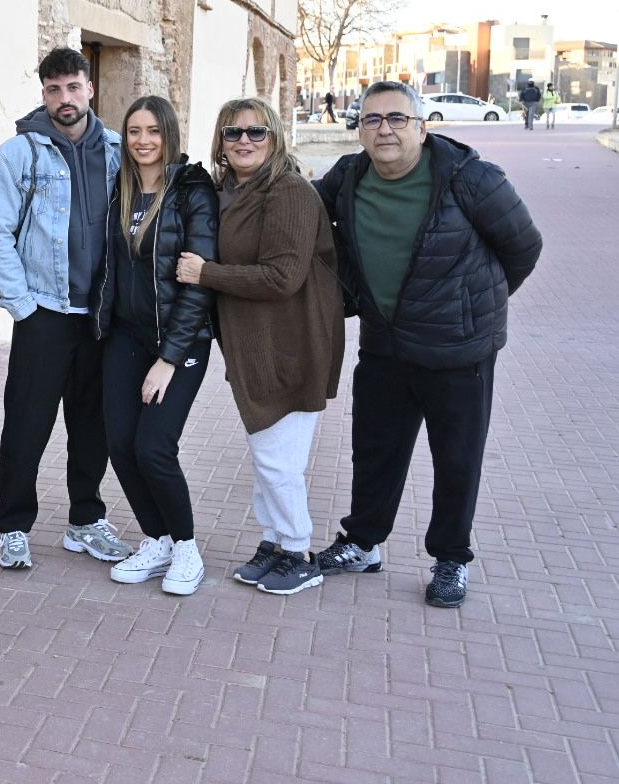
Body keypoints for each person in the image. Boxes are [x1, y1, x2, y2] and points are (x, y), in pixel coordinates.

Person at [314, 81, 541, 607]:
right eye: (371, 119)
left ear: (422, 126)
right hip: (385, 345)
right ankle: (363, 543)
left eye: (396, 118)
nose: (384, 129)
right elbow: (297, 209)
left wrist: (470, 308)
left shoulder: (469, 178)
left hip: (458, 351)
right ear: (360, 130)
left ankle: (450, 559)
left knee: (457, 459)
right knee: (375, 452)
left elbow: (524, 246)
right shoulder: (348, 177)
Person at [175, 98, 344, 595]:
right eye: (233, 132)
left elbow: (282, 276)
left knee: (277, 458)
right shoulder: (229, 190)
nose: (244, 141)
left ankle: (297, 550)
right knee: (266, 451)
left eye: (256, 132)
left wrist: (205, 273)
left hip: (292, 341)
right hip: (254, 344)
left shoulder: (288, 190)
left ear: (275, 138)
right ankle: (273, 542)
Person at [0, 47, 131, 570]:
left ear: (89, 89)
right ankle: (15, 527)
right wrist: (22, 306)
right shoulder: (20, 153)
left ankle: (85, 520)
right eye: (53, 90)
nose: (64, 100)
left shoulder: (117, 149)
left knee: (94, 426)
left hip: (101, 316)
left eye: (72, 88)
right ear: (43, 93)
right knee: (26, 424)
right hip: (44, 311)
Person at [92, 96, 217, 595]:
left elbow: (198, 282)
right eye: (135, 131)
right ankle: (158, 538)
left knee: (154, 446)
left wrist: (169, 360)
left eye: (153, 131)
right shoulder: (119, 189)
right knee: (120, 444)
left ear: (169, 134)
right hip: (125, 335)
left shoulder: (191, 190)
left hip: (180, 340)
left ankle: (186, 547)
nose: (143, 141)